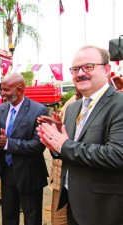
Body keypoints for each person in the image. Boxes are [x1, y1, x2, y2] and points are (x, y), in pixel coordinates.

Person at [37, 45, 123, 225]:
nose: (80, 73)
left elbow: (117, 155)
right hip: (73, 202)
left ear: (107, 69)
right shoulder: (73, 107)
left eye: (88, 67)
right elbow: (69, 150)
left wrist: (63, 144)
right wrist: (54, 146)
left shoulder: (119, 105)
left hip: (104, 207)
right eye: (75, 69)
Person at [0, 73, 48, 225]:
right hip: (7, 173)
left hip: (30, 174)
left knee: (32, 217)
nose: (2, 93)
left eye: (6, 90)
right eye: (1, 90)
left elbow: (38, 145)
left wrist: (8, 143)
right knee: (8, 215)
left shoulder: (39, 110)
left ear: (19, 90)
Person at [37, 88, 82, 225]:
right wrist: (54, 134)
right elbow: (59, 149)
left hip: (87, 182)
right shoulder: (71, 106)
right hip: (61, 176)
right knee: (59, 219)